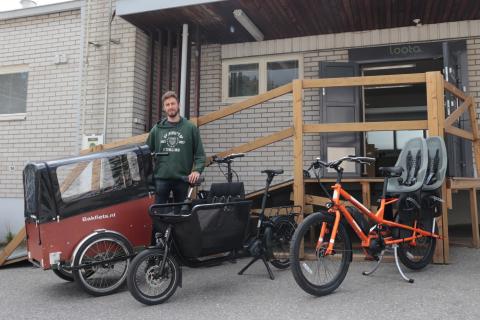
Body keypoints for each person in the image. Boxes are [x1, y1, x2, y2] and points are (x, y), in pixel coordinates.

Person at [146, 91, 205, 204]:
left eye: (173, 103)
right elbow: (146, 153)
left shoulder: (190, 128)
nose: (170, 107)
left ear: (178, 105)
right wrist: (149, 177)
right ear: (164, 108)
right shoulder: (157, 129)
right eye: (167, 105)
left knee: (181, 215)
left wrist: (197, 171)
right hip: (161, 179)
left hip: (182, 179)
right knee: (159, 214)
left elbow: (200, 155)